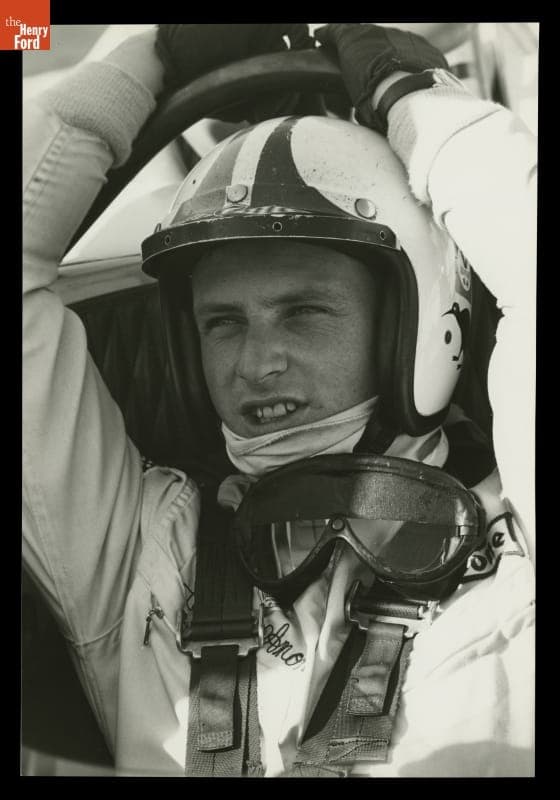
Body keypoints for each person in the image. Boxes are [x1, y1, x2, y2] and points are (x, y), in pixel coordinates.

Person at [22, 23, 535, 777]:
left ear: (414, 322)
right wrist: (143, 58)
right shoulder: (139, 545)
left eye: (304, 312)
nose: (256, 363)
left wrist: (419, 101)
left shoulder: (517, 530)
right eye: (222, 323)